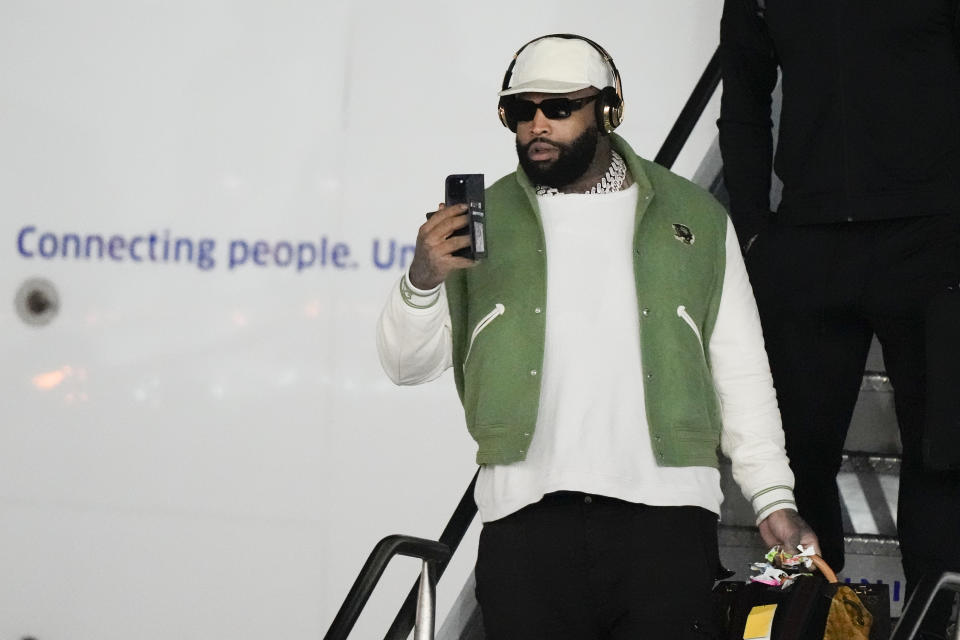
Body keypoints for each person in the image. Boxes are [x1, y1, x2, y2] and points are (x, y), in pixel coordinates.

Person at [378, 33, 817, 639]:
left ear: (607, 111)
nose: (537, 124)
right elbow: (404, 364)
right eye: (520, 110)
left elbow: (739, 367)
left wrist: (772, 497)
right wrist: (422, 279)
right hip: (524, 522)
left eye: (558, 108)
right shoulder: (478, 222)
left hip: (666, 521)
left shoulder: (693, 216)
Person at [718, 1, 960, 636]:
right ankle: (807, 626)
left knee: (942, 456)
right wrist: (751, 232)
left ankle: (933, 631)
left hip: (932, 241)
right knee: (794, 465)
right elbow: (743, 97)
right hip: (808, 244)